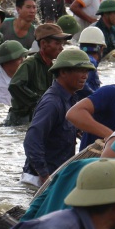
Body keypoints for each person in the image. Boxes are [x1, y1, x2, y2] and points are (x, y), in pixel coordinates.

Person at [22, 49, 95, 186]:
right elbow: (31, 140)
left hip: (56, 176)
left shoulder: (71, 99)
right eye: (80, 70)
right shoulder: (52, 103)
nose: (85, 76)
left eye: (87, 71)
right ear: (63, 72)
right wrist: (44, 176)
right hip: (39, 180)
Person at [6, 23, 72, 126]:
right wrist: (40, 101)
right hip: (21, 120)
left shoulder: (53, 68)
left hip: (39, 117)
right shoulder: (30, 64)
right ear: (44, 44)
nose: (61, 48)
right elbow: (15, 86)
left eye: (62, 44)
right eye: (57, 44)